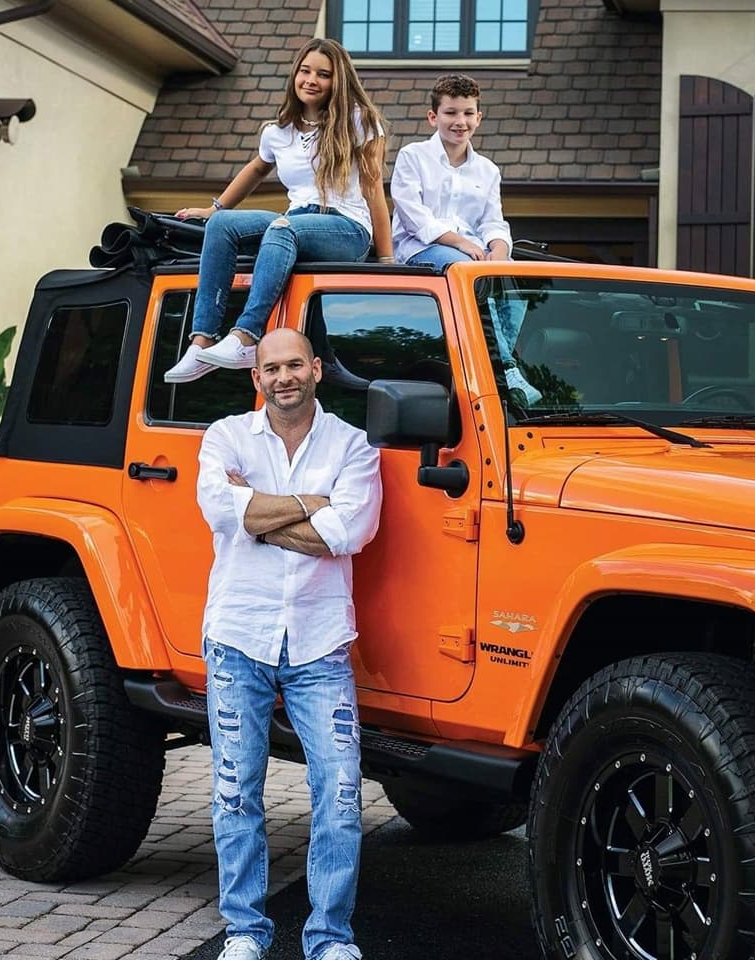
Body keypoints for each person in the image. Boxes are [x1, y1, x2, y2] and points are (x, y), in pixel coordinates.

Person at [196, 327, 383, 960]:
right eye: (271, 368)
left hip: (320, 643)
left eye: (295, 365)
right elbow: (224, 514)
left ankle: (330, 937)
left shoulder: (353, 445)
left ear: (317, 370)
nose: (284, 378)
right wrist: (310, 506)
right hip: (237, 636)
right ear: (257, 378)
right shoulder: (224, 436)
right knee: (235, 789)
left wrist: (260, 515)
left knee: (340, 791)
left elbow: (350, 529)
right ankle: (245, 931)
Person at [166, 39, 392, 384]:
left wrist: (386, 260)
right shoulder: (278, 131)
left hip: (346, 228)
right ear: (294, 75)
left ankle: (246, 337)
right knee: (224, 226)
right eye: (305, 71)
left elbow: (374, 187)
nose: (311, 80)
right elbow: (256, 168)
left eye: (323, 74)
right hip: (296, 220)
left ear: (339, 80)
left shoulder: (359, 122)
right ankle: (202, 341)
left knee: (282, 228)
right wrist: (215, 209)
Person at [390, 74, 541, 405]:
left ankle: (495, 360)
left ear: (479, 117)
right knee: (467, 272)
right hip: (423, 249)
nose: (460, 122)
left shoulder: (488, 171)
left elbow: (493, 221)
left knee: (516, 276)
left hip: (474, 253)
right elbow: (415, 217)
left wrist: (499, 251)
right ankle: (508, 369)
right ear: (434, 116)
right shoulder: (412, 157)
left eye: (468, 113)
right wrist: (461, 244)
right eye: (451, 113)